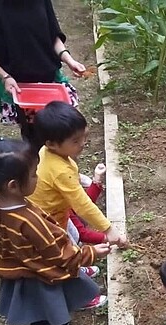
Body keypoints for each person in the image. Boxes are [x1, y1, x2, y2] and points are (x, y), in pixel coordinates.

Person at [0, 137, 110, 325]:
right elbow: (58, 254)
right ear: (14, 185)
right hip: (44, 277)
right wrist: (89, 253)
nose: (37, 178)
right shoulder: (28, 220)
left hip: (21, 274)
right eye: (34, 174)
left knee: (38, 315)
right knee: (57, 321)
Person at [0, 0, 86, 147]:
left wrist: (69, 59)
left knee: (65, 134)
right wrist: (4, 76)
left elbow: (53, 33)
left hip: (49, 80)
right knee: (37, 138)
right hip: (18, 86)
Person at [27, 101, 127, 260]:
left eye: (84, 136)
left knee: (72, 237)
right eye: (75, 141)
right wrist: (108, 230)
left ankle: (78, 259)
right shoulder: (60, 171)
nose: (83, 143)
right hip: (49, 221)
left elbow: (54, 177)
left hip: (57, 213)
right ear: (51, 144)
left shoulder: (47, 152)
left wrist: (79, 178)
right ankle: (75, 267)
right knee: (62, 251)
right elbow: (82, 205)